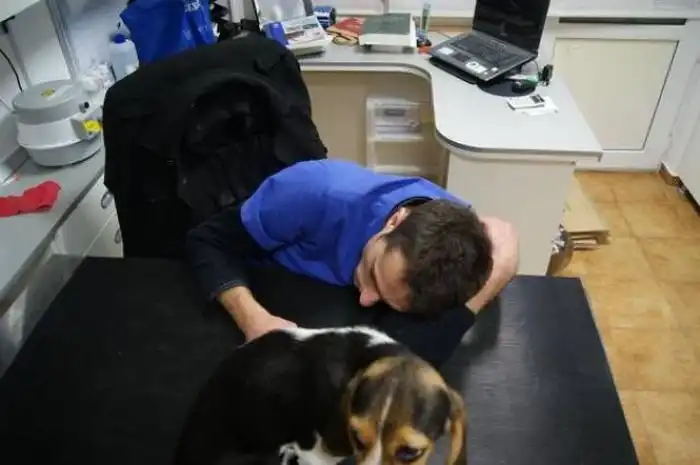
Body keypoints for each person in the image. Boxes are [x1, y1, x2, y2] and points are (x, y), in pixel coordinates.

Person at [186, 159, 518, 365]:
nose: (366, 297)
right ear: (395, 221)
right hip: (266, 293)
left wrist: (493, 278)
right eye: (373, 273)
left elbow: (409, 358)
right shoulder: (313, 192)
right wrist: (253, 318)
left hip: (327, 315)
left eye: (388, 299)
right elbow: (208, 241)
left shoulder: (453, 260)